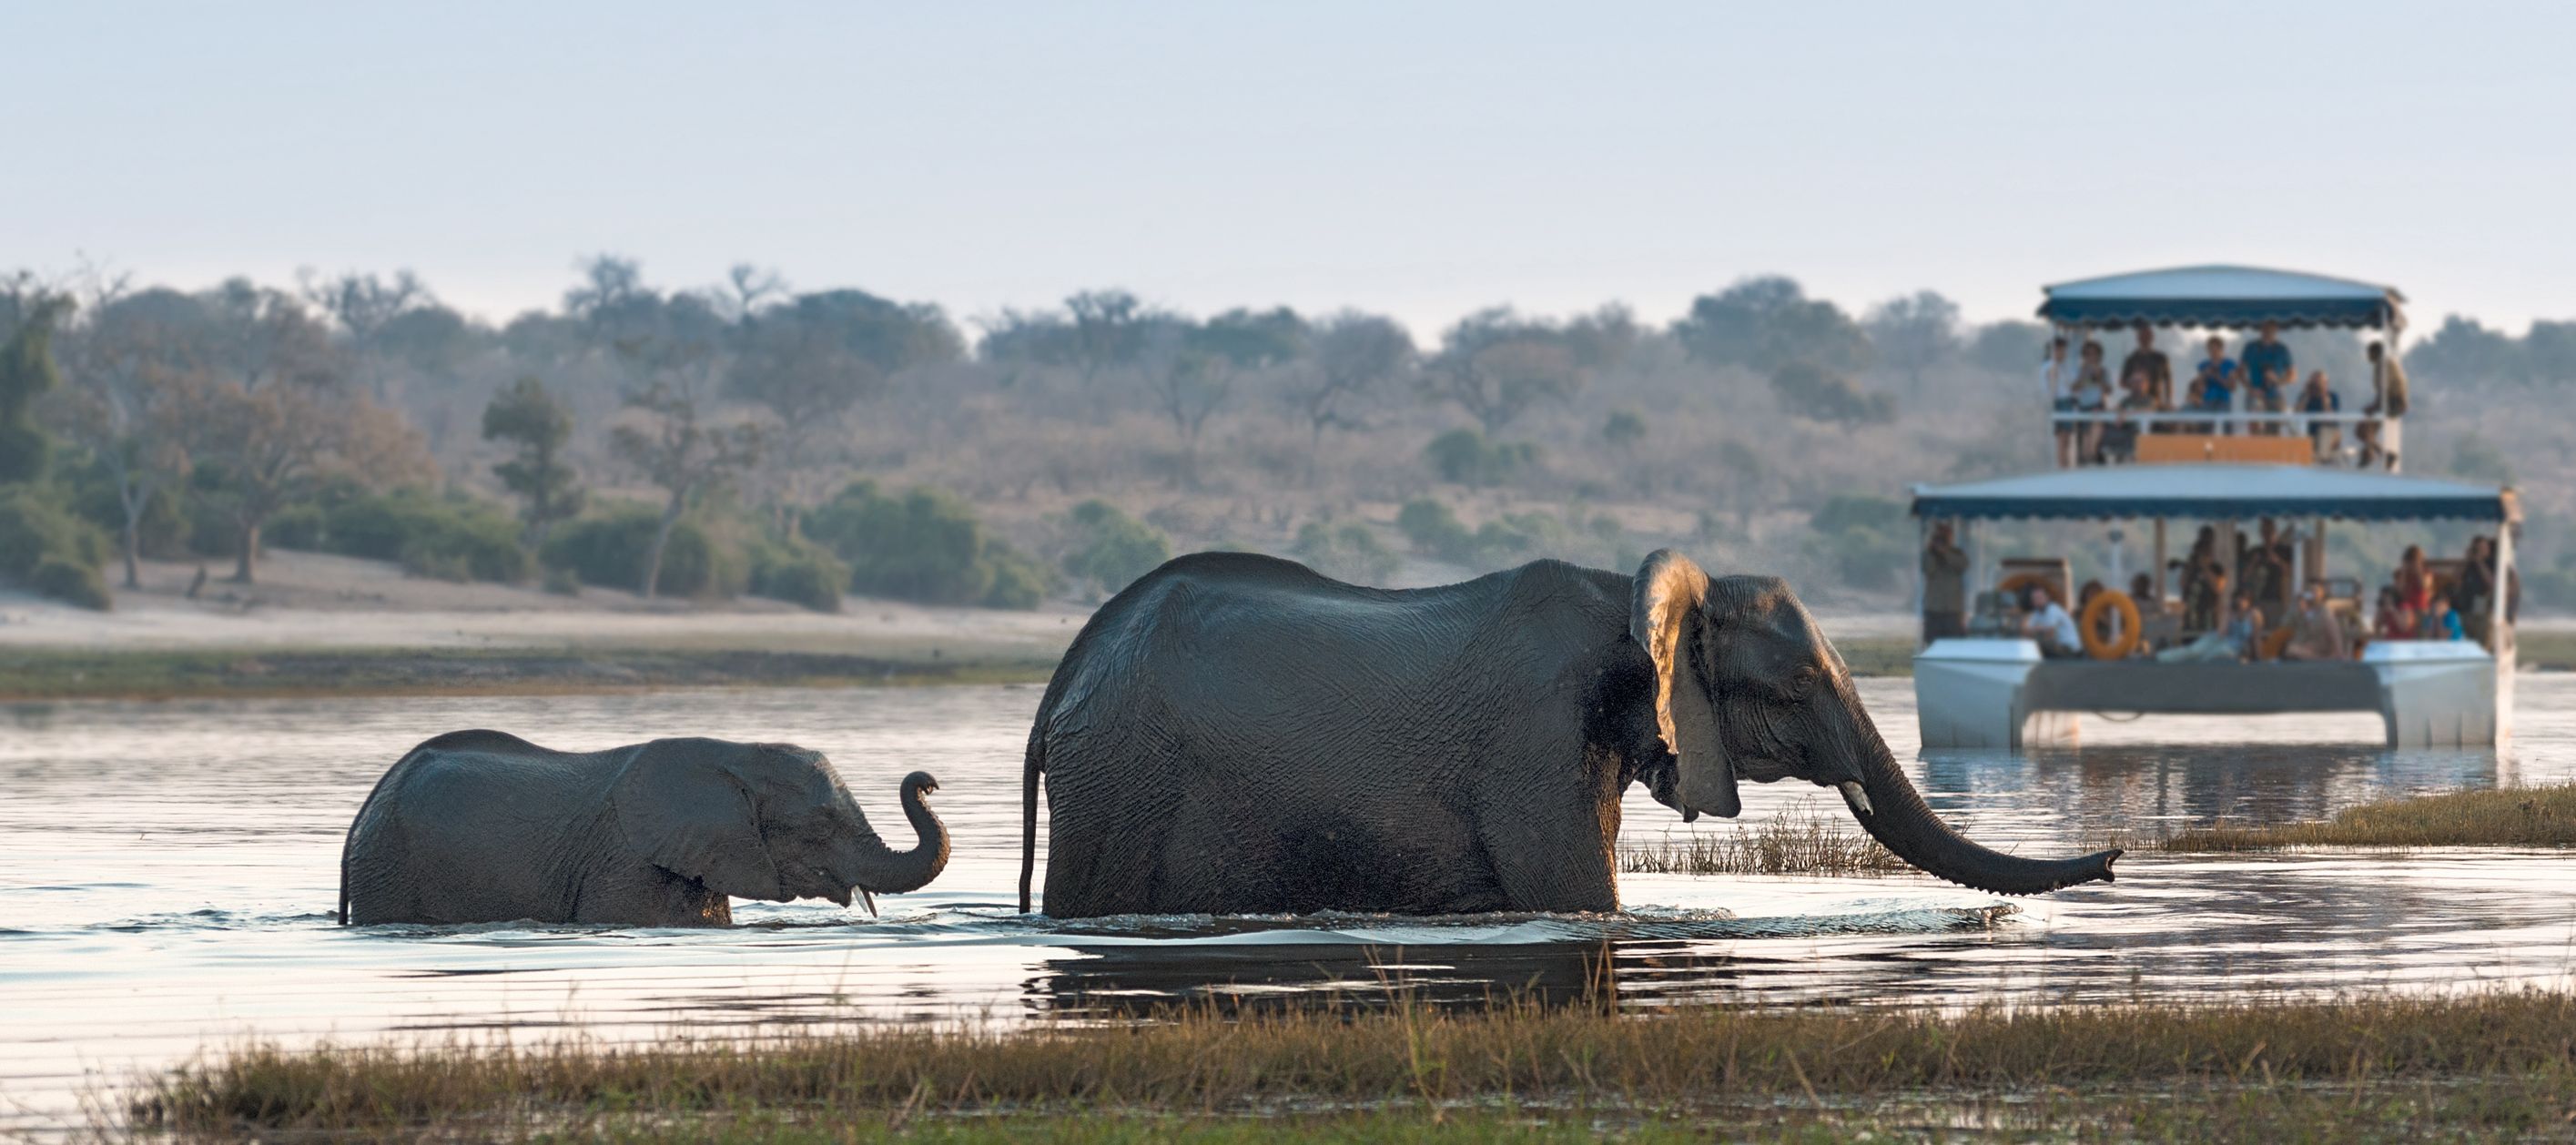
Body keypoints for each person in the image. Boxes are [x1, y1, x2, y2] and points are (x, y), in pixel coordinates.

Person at [2158, 591, 2260, 664]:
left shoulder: (2253, 615)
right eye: (2238, 599)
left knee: (2207, 657)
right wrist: (2228, 614)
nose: (2240, 602)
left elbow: (2255, 637)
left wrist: (2256, 656)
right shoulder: (2230, 613)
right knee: (2194, 651)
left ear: (2249, 601)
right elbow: (2222, 632)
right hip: (2218, 639)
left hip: (2233, 648)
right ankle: (2162, 657)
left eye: (2243, 599)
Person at [2358, 340, 2409, 469]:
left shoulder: (2383, 364)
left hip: (2394, 402)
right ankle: (2378, 453)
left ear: (2375, 353)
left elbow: (2383, 388)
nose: (2367, 356)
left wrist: (2374, 406)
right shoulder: (2384, 363)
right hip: (2392, 401)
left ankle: (2371, 454)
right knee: (2364, 430)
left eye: (2369, 353)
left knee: (2362, 430)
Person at [2240, 320, 2294, 432]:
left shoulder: (2282, 349)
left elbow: (2292, 375)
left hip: (2274, 394)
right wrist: (2251, 389)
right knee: (2255, 428)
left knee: (2274, 429)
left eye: (2271, 329)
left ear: (2276, 330)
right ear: (2261, 329)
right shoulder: (2251, 347)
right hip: (2255, 393)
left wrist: (2277, 380)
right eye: (2265, 328)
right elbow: (2240, 371)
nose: (2268, 331)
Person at [1922, 521, 1968, 643]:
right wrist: (1933, 551)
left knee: (1954, 643)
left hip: (1953, 610)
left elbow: (1963, 565)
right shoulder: (1928, 554)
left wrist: (1946, 552)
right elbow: (1928, 569)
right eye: (1940, 536)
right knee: (1932, 642)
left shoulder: (1957, 553)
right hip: (1934, 609)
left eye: (1945, 536)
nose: (1942, 539)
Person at [2280, 582, 2350, 661]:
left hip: (2319, 650)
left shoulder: (2324, 612)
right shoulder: (2303, 610)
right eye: (2310, 590)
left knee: (2292, 650)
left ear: (2322, 593)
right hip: (2303, 648)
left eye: (2316, 591)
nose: (2313, 593)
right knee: (2290, 650)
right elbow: (2285, 624)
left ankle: (2323, 660)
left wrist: (2339, 652)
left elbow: (2334, 633)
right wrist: (2297, 607)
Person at [2068, 341, 2112, 463]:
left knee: (2096, 430)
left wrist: (2099, 377)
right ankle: (2086, 458)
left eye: (2094, 354)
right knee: (2085, 436)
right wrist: (2083, 374)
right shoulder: (2079, 370)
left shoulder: (2104, 371)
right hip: (2083, 407)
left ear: (2099, 356)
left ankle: (2093, 455)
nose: (2091, 357)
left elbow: (2108, 390)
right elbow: (2074, 388)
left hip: (2097, 405)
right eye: (2087, 354)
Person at [2099, 370, 2154, 462]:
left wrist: (2127, 413)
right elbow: (2116, 409)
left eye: (2140, 381)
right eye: (2134, 381)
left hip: (2139, 435)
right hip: (2124, 433)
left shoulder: (2149, 399)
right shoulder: (2126, 400)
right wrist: (2101, 411)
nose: (2137, 384)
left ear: (2146, 384)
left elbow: (2148, 410)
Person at [2121, 322, 2175, 415]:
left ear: (2152, 338)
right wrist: (2138, 384)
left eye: (2147, 336)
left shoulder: (2161, 358)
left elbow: (2168, 381)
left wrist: (2168, 401)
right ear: (2138, 338)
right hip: (2135, 403)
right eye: (2142, 336)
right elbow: (2123, 382)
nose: (2145, 339)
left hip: (2156, 402)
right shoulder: (2131, 359)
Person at [2187, 336, 2238, 429]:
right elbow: (2197, 386)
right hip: (2208, 400)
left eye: (2215, 349)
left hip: (2224, 400)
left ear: (2221, 349)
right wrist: (2204, 375)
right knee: (2204, 428)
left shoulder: (2230, 365)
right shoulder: (2203, 365)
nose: (2213, 352)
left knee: (2227, 427)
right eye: (2210, 349)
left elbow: (2232, 387)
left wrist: (2218, 377)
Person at [2042, 337, 2078, 468]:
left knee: (2067, 437)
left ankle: (2066, 463)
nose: (2063, 353)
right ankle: (2062, 465)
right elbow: (2047, 388)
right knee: (2061, 437)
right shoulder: (2048, 367)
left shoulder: (2066, 366)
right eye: (2060, 350)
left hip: (2068, 401)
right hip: (2058, 402)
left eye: (2064, 350)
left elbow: (2072, 385)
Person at [2456, 536, 2497, 648]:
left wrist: (2479, 562)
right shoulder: (2469, 563)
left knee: (2482, 644)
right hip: (2466, 609)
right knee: (2467, 643)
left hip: (2482, 610)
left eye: (2483, 548)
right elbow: (2456, 577)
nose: (2480, 551)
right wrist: (2466, 559)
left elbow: (2491, 583)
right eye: (2477, 548)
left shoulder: (2492, 563)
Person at [2022, 583, 2082, 658]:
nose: (2038, 601)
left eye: (2040, 597)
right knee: (2031, 646)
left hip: (2070, 649)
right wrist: (2037, 629)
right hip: (2059, 648)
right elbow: (2026, 632)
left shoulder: (2053, 609)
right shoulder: (2037, 612)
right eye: (2035, 599)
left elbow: (2050, 633)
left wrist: (2036, 629)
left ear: (2047, 597)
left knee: (2040, 646)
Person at [2295, 370, 2341, 461]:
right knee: (2296, 430)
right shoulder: (2305, 397)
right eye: (2313, 383)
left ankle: (2321, 460)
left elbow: (2330, 418)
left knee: (2324, 431)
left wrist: (2324, 396)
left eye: (2318, 383)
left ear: (2326, 383)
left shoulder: (2332, 396)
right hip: (2308, 431)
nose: (2316, 386)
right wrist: (2307, 395)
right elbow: (2297, 415)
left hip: (2329, 431)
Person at [2395, 544, 2434, 617]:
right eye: (2410, 561)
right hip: (2405, 608)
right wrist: (2404, 572)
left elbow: (2424, 586)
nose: (2412, 564)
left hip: (2421, 607)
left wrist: (2418, 571)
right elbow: (2399, 591)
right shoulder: (2401, 574)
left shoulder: (2426, 572)